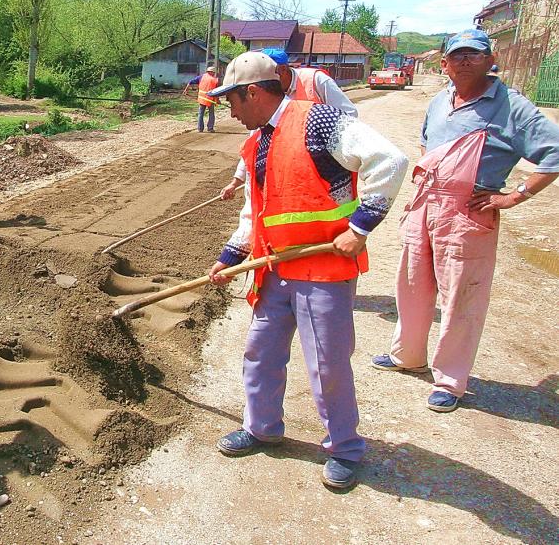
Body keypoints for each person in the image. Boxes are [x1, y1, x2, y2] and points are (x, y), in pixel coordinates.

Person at [206, 52, 408, 489]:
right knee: (260, 352)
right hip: (275, 267)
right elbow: (254, 209)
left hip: (323, 270)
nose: (230, 112)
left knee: (327, 364)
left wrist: (361, 226)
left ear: (253, 93)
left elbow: (389, 160)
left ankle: (345, 448)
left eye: (232, 102)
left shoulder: (319, 122)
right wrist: (232, 255)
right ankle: (262, 428)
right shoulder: (257, 141)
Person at [371, 28, 559, 412]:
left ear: (491, 61)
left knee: (460, 297)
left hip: (468, 212)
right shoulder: (440, 101)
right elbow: (426, 141)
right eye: (457, 55)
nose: (465, 61)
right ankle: (407, 355)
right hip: (426, 203)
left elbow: (555, 152)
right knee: (411, 283)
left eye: (474, 54)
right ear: (444, 64)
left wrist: (514, 196)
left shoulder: (511, 106)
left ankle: (451, 380)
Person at [220, 48, 359, 200]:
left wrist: (317, 146)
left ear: (283, 70)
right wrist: (237, 180)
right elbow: (254, 144)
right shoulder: (265, 106)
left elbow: (348, 115)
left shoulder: (315, 82)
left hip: (318, 178)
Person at [196, 65, 219, 133]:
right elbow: (216, 91)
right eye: (214, 72)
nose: (214, 74)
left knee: (200, 114)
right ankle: (210, 128)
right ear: (212, 72)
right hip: (210, 99)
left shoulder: (202, 77)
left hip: (202, 99)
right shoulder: (214, 80)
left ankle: (200, 128)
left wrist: (186, 89)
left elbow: (191, 81)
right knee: (211, 114)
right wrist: (217, 100)